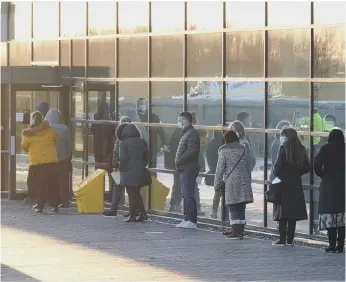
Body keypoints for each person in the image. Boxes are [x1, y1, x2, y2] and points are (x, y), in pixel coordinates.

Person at [271, 127, 310, 246]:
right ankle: (290, 240)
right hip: (295, 183)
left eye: (282, 135)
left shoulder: (284, 148)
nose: (281, 138)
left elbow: (277, 168)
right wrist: (297, 173)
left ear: (286, 137)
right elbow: (307, 167)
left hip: (283, 183)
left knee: (282, 213)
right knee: (292, 213)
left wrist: (275, 172)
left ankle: (282, 239)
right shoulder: (302, 148)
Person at [214, 130, 253, 239]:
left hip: (232, 181)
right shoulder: (244, 149)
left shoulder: (224, 151)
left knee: (233, 206)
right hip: (244, 180)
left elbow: (219, 170)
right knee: (241, 206)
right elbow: (249, 166)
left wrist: (216, 184)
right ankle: (240, 231)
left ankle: (235, 231)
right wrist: (249, 180)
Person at [21, 112, 60, 213]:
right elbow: (57, 140)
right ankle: (55, 205)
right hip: (51, 161)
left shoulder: (28, 134)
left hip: (37, 162)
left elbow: (24, 147)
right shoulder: (50, 130)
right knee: (52, 184)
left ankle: (40, 206)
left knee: (39, 185)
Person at [314, 129, 345, 253]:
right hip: (343, 185)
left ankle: (331, 245)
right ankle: (341, 245)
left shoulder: (326, 148)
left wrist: (322, 175)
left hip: (329, 185)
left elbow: (316, 164)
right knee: (342, 216)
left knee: (330, 216)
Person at [117, 123, 148, 222]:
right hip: (140, 170)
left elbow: (123, 158)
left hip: (128, 170)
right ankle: (142, 214)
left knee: (131, 193)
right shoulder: (141, 141)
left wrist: (120, 168)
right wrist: (142, 165)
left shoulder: (124, 143)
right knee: (137, 193)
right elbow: (147, 156)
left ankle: (132, 215)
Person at [102, 116, 132, 218]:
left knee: (117, 187)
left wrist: (114, 165)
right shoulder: (135, 136)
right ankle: (133, 210)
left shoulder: (119, 137)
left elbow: (115, 153)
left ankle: (113, 209)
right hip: (130, 167)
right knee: (131, 189)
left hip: (120, 167)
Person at [175, 112, 200, 229]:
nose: (179, 122)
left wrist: (180, 160)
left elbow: (192, 151)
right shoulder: (187, 133)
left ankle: (191, 220)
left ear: (186, 120)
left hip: (188, 168)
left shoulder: (191, 133)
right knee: (185, 195)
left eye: (180, 120)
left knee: (188, 195)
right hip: (185, 168)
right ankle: (186, 218)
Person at [45, 109, 73, 208]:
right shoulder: (65, 128)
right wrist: (68, 156)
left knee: (51, 181)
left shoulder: (47, 129)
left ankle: (52, 201)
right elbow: (70, 145)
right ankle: (65, 202)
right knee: (64, 182)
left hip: (50, 159)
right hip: (63, 159)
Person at [24, 102, 50, 204]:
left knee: (32, 179)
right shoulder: (48, 129)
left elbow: (24, 146)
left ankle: (32, 196)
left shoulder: (30, 131)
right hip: (46, 159)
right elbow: (55, 141)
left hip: (35, 160)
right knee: (44, 180)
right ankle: (44, 199)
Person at [137, 98, 166, 176]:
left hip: (151, 145)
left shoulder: (154, 117)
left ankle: (152, 182)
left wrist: (164, 143)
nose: (142, 106)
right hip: (138, 146)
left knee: (152, 166)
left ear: (146, 106)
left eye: (143, 104)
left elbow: (160, 131)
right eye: (140, 104)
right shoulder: (135, 117)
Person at [206, 130, 225, 219]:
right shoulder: (221, 144)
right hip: (221, 171)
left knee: (217, 193)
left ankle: (214, 212)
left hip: (215, 170)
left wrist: (212, 168)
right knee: (222, 193)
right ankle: (223, 214)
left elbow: (208, 156)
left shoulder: (211, 143)